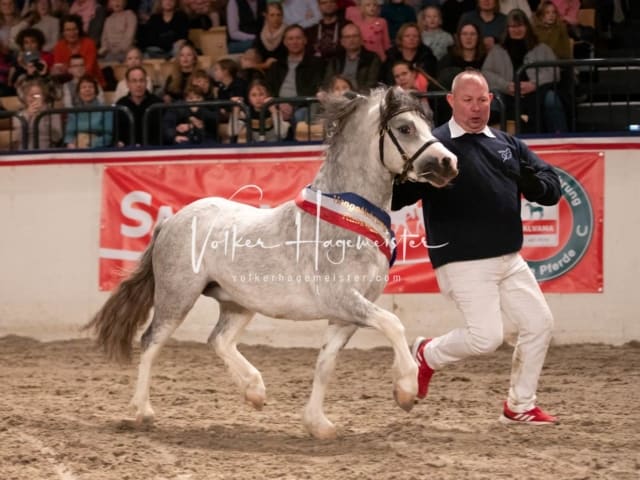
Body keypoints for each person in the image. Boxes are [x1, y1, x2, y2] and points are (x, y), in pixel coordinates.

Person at [392, 69, 560, 425]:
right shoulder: (434, 147)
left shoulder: (506, 143)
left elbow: (551, 186)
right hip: (461, 259)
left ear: (491, 101)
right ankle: (426, 354)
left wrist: (531, 181)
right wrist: (418, 179)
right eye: (467, 100)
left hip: (509, 257)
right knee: (486, 338)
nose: (476, 108)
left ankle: (520, 406)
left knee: (539, 324)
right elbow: (396, 196)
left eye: (482, 100)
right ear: (451, 101)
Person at [481, 8, 567, 133]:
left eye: (520, 25)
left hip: (537, 92)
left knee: (551, 98)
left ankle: (561, 139)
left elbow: (554, 71)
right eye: (512, 26)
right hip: (508, 94)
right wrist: (506, 86)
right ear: (507, 29)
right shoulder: (497, 50)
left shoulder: (542, 48)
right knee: (494, 101)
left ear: (527, 27)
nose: (516, 30)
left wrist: (534, 83)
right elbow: (486, 74)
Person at [323, 22, 381, 93]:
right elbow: (328, 83)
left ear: (361, 39)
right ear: (342, 41)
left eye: (355, 36)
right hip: (338, 97)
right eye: (347, 37)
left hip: (361, 98)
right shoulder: (335, 59)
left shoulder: (372, 58)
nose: (351, 40)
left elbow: (371, 85)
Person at [229, 78, 290, 142]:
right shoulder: (246, 112)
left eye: (261, 94)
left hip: (272, 146)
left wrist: (274, 111)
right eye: (253, 95)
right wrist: (235, 110)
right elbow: (232, 133)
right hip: (254, 148)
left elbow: (282, 134)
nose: (258, 98)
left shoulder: (274, 110)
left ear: (268, 95)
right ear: (249, 98)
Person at [52, 14, 105, 87]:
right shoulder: (59, 47)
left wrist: (68, 70)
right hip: (68, 84)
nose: (72, 33)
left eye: (74, 29)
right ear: (63, 32)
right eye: (68, 30)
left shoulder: (89, 44)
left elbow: (88, 69)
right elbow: (59, 70)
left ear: (79, 30)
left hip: (91, 83)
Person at [115, 65, 163, 146]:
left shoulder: (158, 103)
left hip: (153, 150)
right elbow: (116, 133)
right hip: (127, 150)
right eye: (134, 81)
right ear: (127, 84)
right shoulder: (120, 105)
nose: (138, 85)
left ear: (146, 82)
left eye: (142, 80)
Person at [63, 73, 113, 148]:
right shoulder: (74, 112)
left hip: (98, 147)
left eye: (90, 87)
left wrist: (91, 144)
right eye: (83, 87)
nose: (87, 90)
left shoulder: (106, 110)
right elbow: (70, 134)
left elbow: (108, 135)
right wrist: (71, 145)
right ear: (78, 92)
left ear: (96, 91)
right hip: (77, 147)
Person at [12, 76, 62, 149]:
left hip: (47, 151)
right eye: (30, 95)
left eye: (37, 95)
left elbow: (57, 137)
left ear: (43, 96)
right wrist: (28, 116)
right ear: (25, 98)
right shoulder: (19, 115)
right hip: (24, 152)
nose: (34, 98)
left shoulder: (52, 113)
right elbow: (18, 138)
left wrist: (43, 116)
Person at [437, 20, 487, 89]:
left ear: (478, 37)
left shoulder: (486, 59)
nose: (468, 37)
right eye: (464, 34)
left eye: (472, 34)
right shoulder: (449, 59)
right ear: (459, 37)